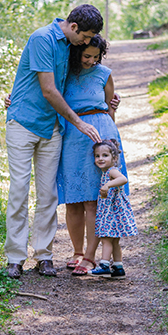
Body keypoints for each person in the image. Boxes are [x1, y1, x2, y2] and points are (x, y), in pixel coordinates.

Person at [4, 4, 104, 279]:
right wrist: (79, 122)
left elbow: (87, 71)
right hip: (24, 123)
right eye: (84, 37)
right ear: (73, 27)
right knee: (19, 191)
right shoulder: (42, 39)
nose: (86, 43)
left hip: (52, 128)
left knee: (48, 195)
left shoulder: (71, 45)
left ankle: (44, 256)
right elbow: (48, 90)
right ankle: (15, 257)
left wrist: (107, 100)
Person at [56, 35, 128, 276]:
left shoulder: (104, 73)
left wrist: (110, 142)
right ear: (77, 52)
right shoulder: (63, 71)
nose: (91, 61)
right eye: (87, 56)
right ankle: (77, 252)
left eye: (96, 57)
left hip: (100, 134)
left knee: (94, 200)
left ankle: (90, 256)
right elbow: (45, 94)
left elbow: (110, 109)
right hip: (72, 135)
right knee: (73, 199)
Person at [89, 139, 138, 279]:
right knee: (114, 240)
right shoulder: (106, 172)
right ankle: (118, 267)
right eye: (97, 156)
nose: (100, 159)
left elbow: (123, 179)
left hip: (112, 212)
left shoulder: (112, 171)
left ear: (114, 158)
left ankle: (104, 266)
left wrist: (107, 185)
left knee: (105, 238)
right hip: (112, 212)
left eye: (105, 155)